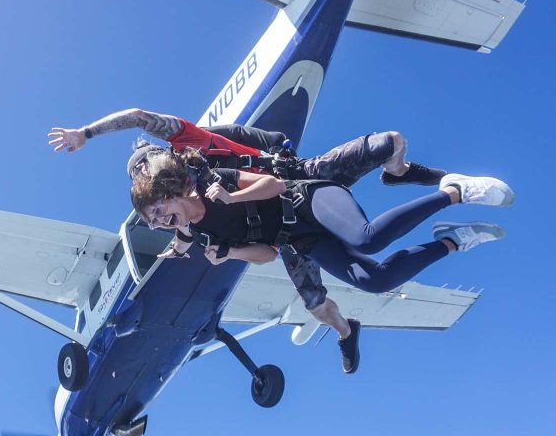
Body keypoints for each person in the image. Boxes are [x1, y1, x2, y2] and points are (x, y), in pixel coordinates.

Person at [48, 108, 447, 347]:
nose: (144, 173)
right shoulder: (186, 211)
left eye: (145, 165)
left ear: (160, 157)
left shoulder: (193, 151)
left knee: (389, 146)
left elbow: (138, 117)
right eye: (137, 176)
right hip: (286, 232)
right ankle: (347, 332)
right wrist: (186, 249)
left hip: (296, 180)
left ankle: (402, 174)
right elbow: (188, 237)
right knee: (319, 303)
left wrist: (86, 133)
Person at [129, 148, 514, 374]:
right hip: (300, 238)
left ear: (169, 192)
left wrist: (232, 199)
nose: (160, 221)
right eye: (153, 222)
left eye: (158, 210)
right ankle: (451, 241)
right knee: (375, 280)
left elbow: (275, 185)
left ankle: (455, 192)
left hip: (306, 200)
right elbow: (266, 254)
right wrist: (230, 253)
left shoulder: (216, 181)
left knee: (369, 237)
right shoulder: (202, 237)